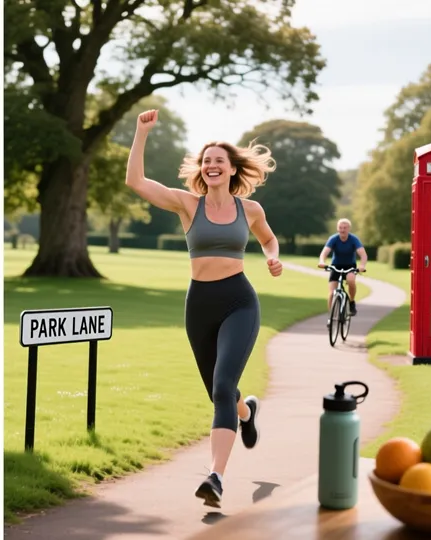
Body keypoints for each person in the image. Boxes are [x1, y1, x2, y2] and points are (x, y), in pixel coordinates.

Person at [125, 109, 282, 508]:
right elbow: (136, 182)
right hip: (199, 306)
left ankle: (215, 477)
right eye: (207, 160)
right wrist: (141, 134)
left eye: (219, 161)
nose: (212, 165)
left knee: (222, 386)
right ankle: (246, 412)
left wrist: (272, 257)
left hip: (238, 302)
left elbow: (268, 240)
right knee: (221, 395)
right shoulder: (185, 204)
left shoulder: (251, 210)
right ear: (202, 169)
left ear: (232, 170)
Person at [318, 218, 367, 317]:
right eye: (340, 228)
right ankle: (331, 316)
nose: (342, 230)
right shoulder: (333, 239)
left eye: (345, 228)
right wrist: (322, 261)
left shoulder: (354, 239)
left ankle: (352, 302)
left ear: (349, 229)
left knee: (351, 280)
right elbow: (324, 252)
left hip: (350, 266)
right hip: (336, 266)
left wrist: (362, 265)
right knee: (332, 292)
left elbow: (363, 254)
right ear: (337, 228)